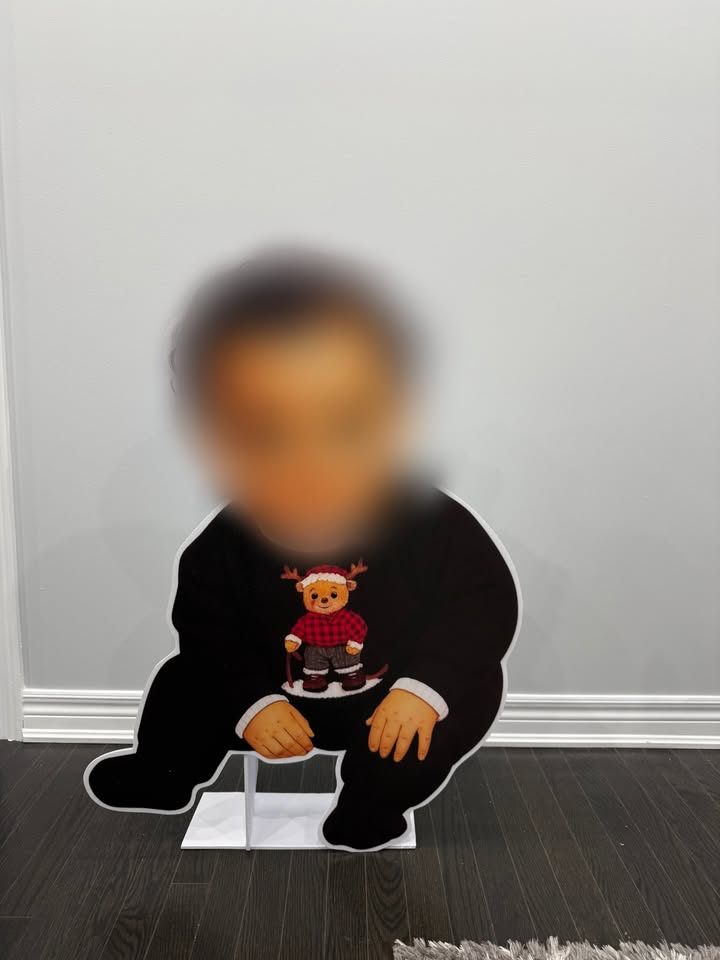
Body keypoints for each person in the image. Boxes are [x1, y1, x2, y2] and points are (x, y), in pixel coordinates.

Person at [85, 250, 519, 850]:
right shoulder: (221, 550)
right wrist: (251, 704)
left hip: (392, 700)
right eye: (265, 435)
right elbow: (210, 638)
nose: (311, 465)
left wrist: (424, 689)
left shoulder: (432, 526)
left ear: (397, 418)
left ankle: (374, 802)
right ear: (212, 439)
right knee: (184, 682)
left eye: (348, 426)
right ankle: (164, 771)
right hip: (270, 693)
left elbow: (480, 607)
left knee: (470, 689)